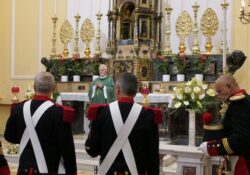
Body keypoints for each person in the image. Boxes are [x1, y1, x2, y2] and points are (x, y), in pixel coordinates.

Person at [85, 72, 162, 175]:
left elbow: (92, 150)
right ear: (135, 92)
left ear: (117, 89)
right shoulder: (147, 116)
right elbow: (153, 157)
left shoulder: (102, 113)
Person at [4, 71, 77, 175]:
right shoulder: (58, 113)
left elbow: (9, 136)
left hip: (23, 170)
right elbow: (67, 148)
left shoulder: (19, 108)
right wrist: (72, 171)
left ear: (34, 87)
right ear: (53, 88)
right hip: (49, 169)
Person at [199, 74, 250, 174]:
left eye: (219, 91)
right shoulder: (241, 101)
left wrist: (211, 147)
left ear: (229, 87)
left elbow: (241, 139)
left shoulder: (239, 104)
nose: (218, 96)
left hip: (243, 162)